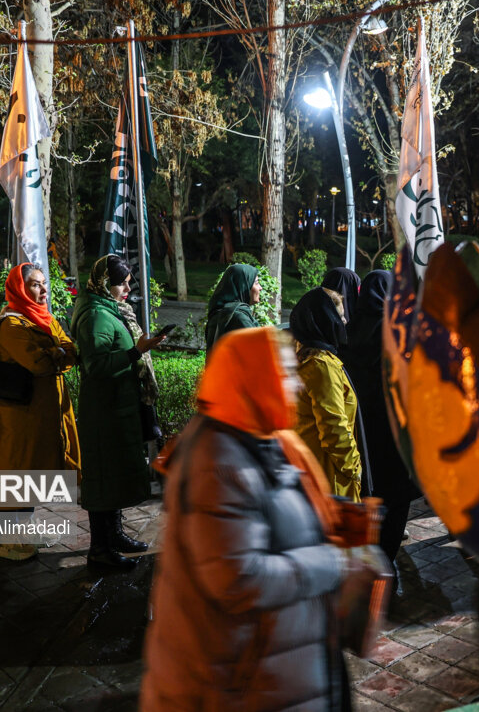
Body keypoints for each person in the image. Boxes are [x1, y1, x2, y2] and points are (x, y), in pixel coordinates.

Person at [140, 328, 349, 711]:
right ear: (255, 378)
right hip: (236, 684)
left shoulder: (264, 438)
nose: (297, 385)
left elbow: (273, 506)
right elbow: (238, 578)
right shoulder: (217, 462)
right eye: (285, 372)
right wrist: (331, 561)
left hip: (267, 669)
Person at [70, 255, 167, 570]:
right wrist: (136, 351)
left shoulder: (111, 309)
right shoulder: (96, 315)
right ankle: (99, 550)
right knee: (102, 478)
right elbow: (95, 365)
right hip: (104, 411)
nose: (127, 287)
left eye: (127, 281)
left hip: (116, 407)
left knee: (113, 476)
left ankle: (115, 536)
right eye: (121, 282)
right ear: (103, 284)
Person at [0, 264, 81, 562]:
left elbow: (70, 350)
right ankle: (5, 540)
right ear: (19, 289)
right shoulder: (12, 325)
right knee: (17, 471)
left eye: (43, 284)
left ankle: (22, 532)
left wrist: (59, 354)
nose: (43, 290)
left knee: (33, 470)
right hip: (20, 413)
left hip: (43, 411)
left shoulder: (44, 319)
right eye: (35, 285)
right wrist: (58, 353)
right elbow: (39, 363)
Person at [339, 271, 421, 584]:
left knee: (367, 497)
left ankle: (363, 559)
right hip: (393, 435)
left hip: (360, 434)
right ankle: (384, 565)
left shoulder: (346, 334)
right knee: (396, 499)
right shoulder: (397, 337)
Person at [290, 288, 361, 500]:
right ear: (324, 320)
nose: (345, 321)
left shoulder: (304, 357)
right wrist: (353, 467)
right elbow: (334, 427)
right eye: (339, 316)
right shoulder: (321, 366)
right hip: (328, 476)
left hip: (311, 469)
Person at [204, 262, 261, 353]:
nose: (260, 288)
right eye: (256, 283)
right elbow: (260, 350)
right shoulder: (237, 317)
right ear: (243, 285)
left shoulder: (220, 311)